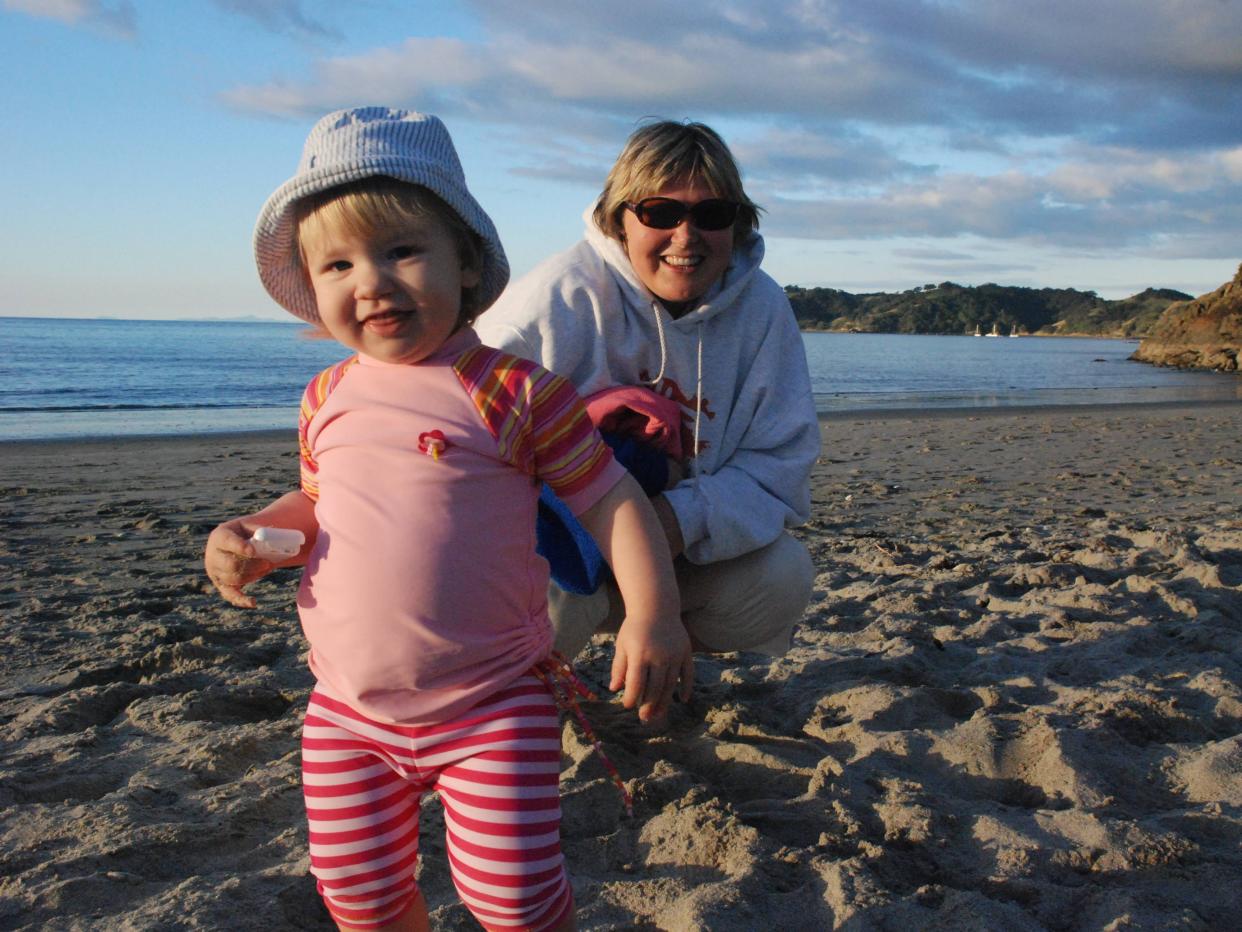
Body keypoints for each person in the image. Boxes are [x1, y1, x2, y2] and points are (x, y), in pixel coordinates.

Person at [202, 108, 691, 932]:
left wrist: (654, 614)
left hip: (492, 705)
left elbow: (612, 501)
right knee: (357, 894)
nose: (372, 282)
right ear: (315, 289)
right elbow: (319, 504)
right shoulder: (324, 397)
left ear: (465, 262)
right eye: (339, 264)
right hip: (347, 710)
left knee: (513, 899)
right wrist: (254, 533)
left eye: (402, 251)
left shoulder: (516, 391)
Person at [475, 119, 819, 663]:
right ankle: (515, 699)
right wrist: (604, 522)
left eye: (712, 215)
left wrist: (667, 523)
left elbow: (779, 466)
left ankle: (662, 657)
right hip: (561, 549)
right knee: (538, 583)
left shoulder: (763, 309)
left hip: (683, 543)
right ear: (619, 219)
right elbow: (462, 443)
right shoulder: (556, 298)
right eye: (660, 213)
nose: (686, 236)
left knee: (782, 577)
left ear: (738, 225)